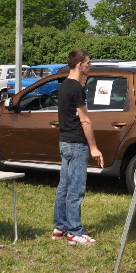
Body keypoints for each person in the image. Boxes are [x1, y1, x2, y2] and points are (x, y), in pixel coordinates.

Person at [53, 49, 103, 246]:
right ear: (79, 64)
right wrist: (94, 147)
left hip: (65, 142)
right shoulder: (76, 88)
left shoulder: (64, 85)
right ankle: (75, 231)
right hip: (76, 144)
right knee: (76, 189)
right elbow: (85, 120)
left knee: (64, 186)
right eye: (88, 62)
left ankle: (60, 227)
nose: (90, 65)